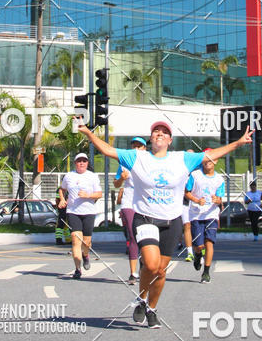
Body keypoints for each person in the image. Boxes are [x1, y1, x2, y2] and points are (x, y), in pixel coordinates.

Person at [78, 119, 252, 329]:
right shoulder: (137, 157)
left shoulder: (183, 159)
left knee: (161, 270)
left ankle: (151, 307)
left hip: (172, 221)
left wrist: (239, 143)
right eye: (155, 132)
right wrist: (88, 133)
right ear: (151, 139)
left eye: (164, 132)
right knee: (150, 265)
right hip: (145, 218)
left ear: (169, 140)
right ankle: (142, 297)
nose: (159, 134)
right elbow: (108, 150)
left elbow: (212, 155)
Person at [60, 153, 102, 279]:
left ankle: (85, 255)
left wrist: (88, 196)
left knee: (86, 241)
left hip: (89, 211)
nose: (82, 163)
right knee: (75, 239)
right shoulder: (69, 176)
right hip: (73, 211)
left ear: (87, 163)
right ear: (75, 163)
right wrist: (62, 199)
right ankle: (77, 269)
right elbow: (62, 189)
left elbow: (99, 194)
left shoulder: (92, 176)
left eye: (84, 161)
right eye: (79, 161)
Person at [185, 152, 225, 283]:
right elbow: (186, 193)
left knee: (209, 243)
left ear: (216, 161)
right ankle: (197, 255)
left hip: (211, 214)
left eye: (211, 159)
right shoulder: (195, 175)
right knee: (199, 245)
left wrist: (217, 201)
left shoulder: (219, 179)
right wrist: (196, 200)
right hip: (196, 214)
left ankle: (206, 272)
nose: (208, 161)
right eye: (206, 159)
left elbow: (220, 199)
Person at [113, 136, 146, 283]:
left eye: (139, 146)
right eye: (134, 146)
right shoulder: (125, 163)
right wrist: (122, 178)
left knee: (145, 237)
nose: (136, 149)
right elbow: (116, 184)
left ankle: (145, 268)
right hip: (129, 202)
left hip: (146, 202)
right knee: (133, 236)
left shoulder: (150, 162)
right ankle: (133, 273)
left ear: (145, 148)